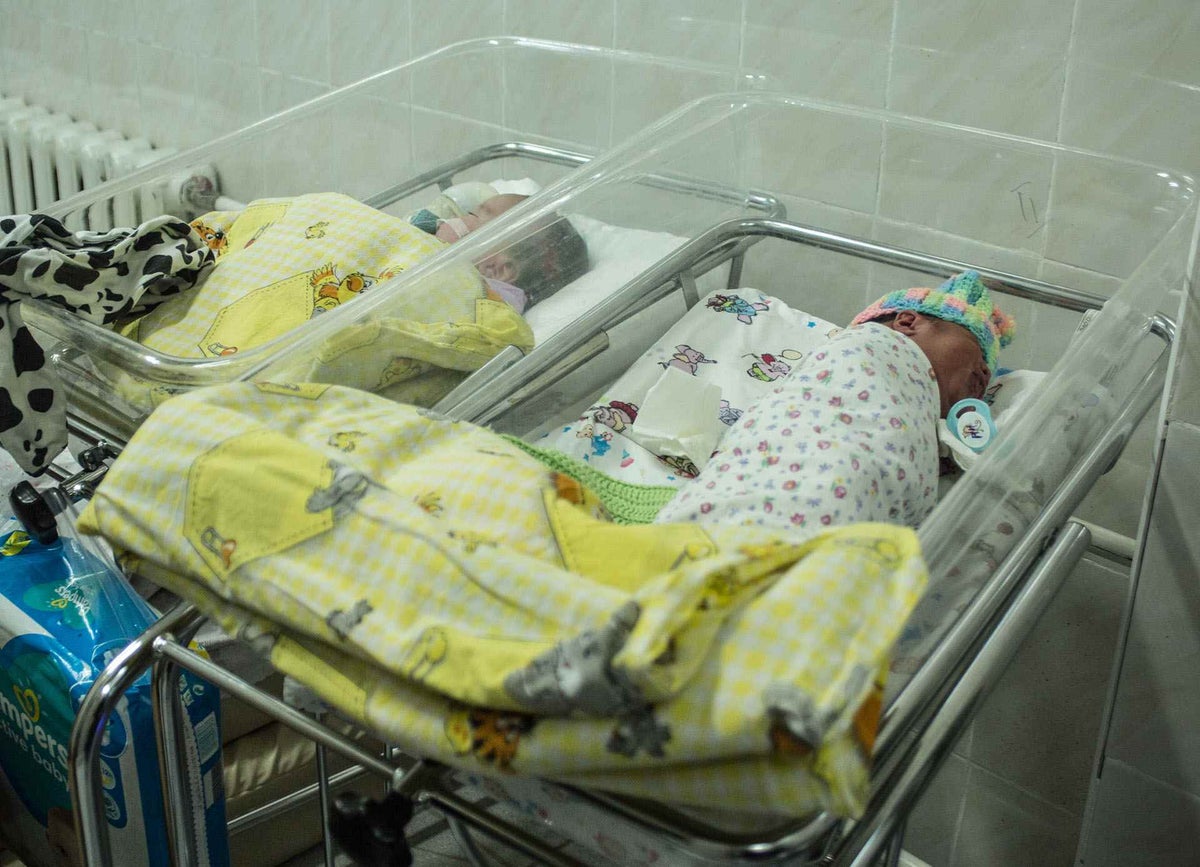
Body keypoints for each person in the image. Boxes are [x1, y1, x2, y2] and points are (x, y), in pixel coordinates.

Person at [654, 271, 1014, 533]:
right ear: (907, 323)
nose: (983, 377)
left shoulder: (926, 416)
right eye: (977, 356)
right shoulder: (867, 350)